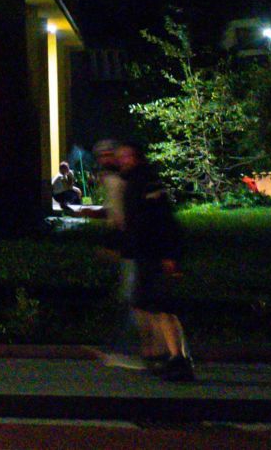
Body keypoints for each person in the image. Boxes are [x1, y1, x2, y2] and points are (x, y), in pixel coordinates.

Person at [93, 139, 194, 381]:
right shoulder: (131, 183)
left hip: (154, 254)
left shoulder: (145, 182)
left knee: (160, 308)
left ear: (136, 158)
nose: (121, 160)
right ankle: (163, 355)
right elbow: (129, 223)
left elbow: (161, 220)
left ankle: (177, 358)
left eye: (125, 156)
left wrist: (170, 254)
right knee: (145, 305)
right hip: (142, 253)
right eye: (120, 157)